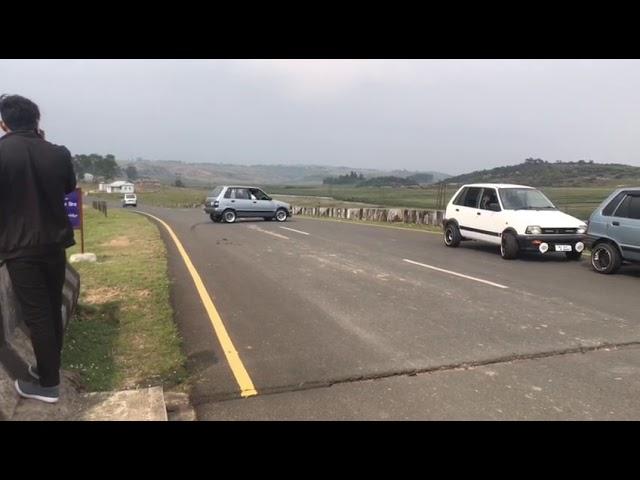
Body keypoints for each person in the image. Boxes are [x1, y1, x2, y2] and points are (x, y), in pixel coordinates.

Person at [0, 94, 77, 403]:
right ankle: (49, 369)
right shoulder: (57, 153)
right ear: (36, 121)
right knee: (51, 308)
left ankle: (48, 385)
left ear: (4, 123)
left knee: (38, 316)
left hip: (19, 248)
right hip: (54, 244)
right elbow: (68, 186)